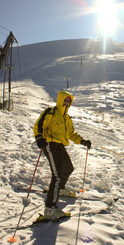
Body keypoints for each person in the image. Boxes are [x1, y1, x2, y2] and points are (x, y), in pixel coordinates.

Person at [33, 90, 91, 219]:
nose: (67, 102)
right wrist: (39, 137)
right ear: (60, 100)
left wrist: (83, 141)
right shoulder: (51, 112)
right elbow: (39, 125)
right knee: (57, 175)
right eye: (65, 100)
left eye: (69, 101)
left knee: (69, 168)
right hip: (50, 145)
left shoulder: (66, 118)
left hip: (60, 146)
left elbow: (71, 134)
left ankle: (60, 188)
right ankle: (50, 208)